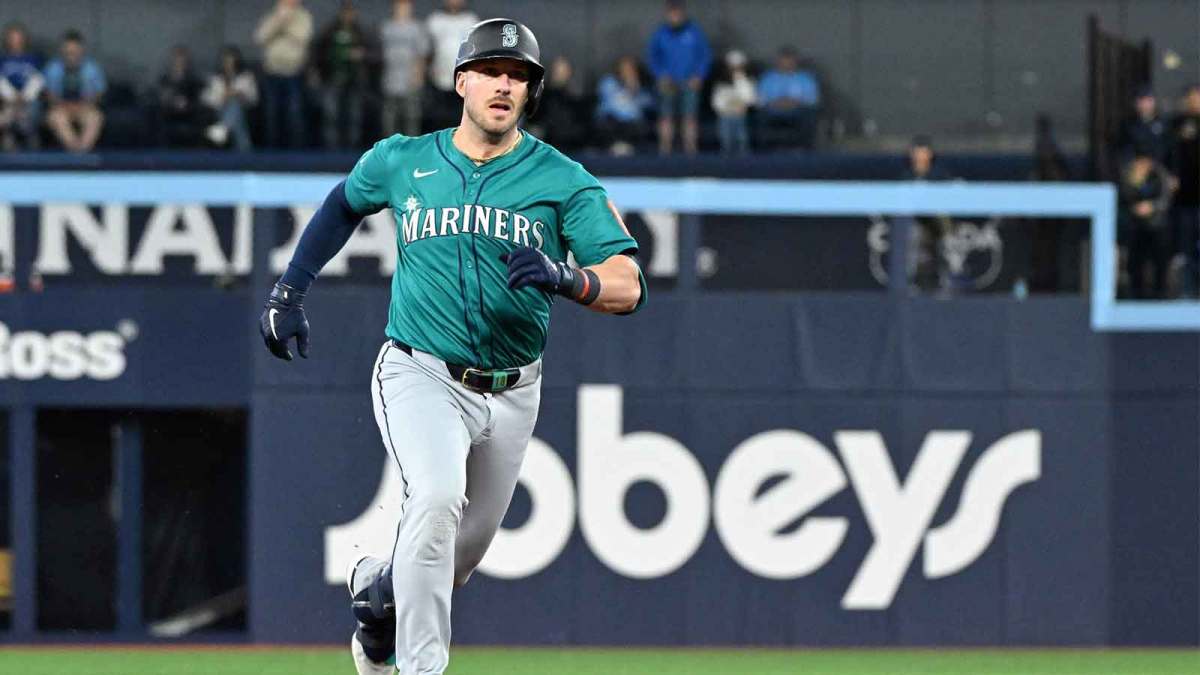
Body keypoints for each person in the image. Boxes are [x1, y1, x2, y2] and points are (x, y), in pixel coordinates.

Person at [257, 18, 646, 675]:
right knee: (435, 498)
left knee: (455, 556)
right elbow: (343, 204)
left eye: (519, 75)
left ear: (530, 94)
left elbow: (628, 284)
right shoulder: (402, 159)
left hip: (514, 388)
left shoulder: (562, 179)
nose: (504, 84)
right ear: (460, 80)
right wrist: (289, 292)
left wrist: (566, 277)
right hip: (420, 369)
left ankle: (378, 597)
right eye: (492, 70)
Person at [646, 0, 710, 155]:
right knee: (665, 116)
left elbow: (705, 56)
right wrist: (660, 76)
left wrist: (699, 76)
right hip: (668, 82)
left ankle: (690, 150)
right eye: (671, 14)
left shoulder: (694, 32)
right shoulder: (661, 34)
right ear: (667, 15)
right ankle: (665, 150)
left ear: (682, 14)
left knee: (689, 117)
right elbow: (652, 57)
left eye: (677, 14)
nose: (674, 17)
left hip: (689, 81)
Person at [1118, 142, 1176, 299]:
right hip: (1136, 225)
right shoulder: (1129, 174)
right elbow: (1124, 197)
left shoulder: (1160, 174)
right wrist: (1135, 204)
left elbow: (1166, 198)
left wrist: (1152, 206)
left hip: (1158, 224)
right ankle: (1137, 293)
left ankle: (1160, 293)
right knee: (1136, 261)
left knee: (1160, 261)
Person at [254, 0, 313, 148]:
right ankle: (272, 149)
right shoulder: (272, 16)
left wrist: (287, 23)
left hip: (293, 73)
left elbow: (303, 38)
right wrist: (279, 21)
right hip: (272, 73)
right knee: (271, 113)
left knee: (294, 113)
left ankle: (296, 150)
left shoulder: (304, 18)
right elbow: (260, 37)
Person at [43, 30, 106, 153]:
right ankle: (75, 151)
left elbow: (99, 93)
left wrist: (84, 105)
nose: (71, 54)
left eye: (74, 50)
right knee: (55, 118)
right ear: (62, 50)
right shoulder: (52, 68)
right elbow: (49, 94)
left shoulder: (92, 68)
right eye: (68, 51)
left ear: (81, 50)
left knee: (96, 118)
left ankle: (83, 151)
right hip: (61, 109)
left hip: (85, 108)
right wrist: (64, 105)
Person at [381, 0, 431, 137]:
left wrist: (418, 75)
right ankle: (390, 146)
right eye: (399, 7)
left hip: (410, 79)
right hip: (390, 79)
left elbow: (422, 54)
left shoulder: (416, 28)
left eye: (405, 7)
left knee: (411, 116)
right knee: (390, 117)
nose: (402, 10)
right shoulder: (386, 27)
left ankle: (411, 145)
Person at [426, 0, 479, 129]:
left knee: (460, 118)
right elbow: (427, 51)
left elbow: (476, 49)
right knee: (439, 118)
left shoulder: (471, 21)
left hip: (463, 79)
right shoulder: (434, 21)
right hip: (439, 79)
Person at [756, 46, 821, 150]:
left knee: (809, 114)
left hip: (798, 110)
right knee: (760, 115)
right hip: (773, 110)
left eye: (790, 61)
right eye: (784, 61)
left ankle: (806, 150)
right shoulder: (768, 78)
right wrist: (776, 103)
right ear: (778, 61)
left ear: (795, 61)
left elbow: (813, 99)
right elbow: (760, 99)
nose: (787, 64)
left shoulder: (805, 78)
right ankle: (763, 151)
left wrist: (795, 103)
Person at [1171, 84, 1200, 297]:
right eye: (1192, 97)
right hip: (1185, 198)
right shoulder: (1178, 124)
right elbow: (1170, 153)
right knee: (1186, 247)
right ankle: (1187, 290)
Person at [201, 46, 258, 151]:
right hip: (219, 110)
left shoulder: (246, 76)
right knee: (236, 116)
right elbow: (206, 99)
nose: (229, 64)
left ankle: (223, 128)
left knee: (236, 106)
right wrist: (222, 97)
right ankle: (244, 151)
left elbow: (254, 99)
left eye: (231, 61)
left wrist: (241, 95)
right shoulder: (215, 78)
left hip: (244, 110)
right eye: (226, 61)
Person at [595, 55, 654, 155]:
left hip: (632, 125)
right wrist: (625, 89)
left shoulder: (640, 87)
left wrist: (634, 89)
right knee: (608, 122)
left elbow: (649, 104)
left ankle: (626, 147)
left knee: (641, 125)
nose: (627, 72)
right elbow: (609, 103)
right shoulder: (609, 82)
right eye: (624, 69)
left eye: (630, 69)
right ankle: (615, 146)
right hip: (612, 122)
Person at [530, 56, 587, 151]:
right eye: (557, 71)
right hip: (547, 141)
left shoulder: (575, 97)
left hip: (571, 142)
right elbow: (534, 120)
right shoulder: (542, 95)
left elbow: (580, 124)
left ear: (569, 73)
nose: (559, 75)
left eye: (563, 72)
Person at [0, 23, 43, 150]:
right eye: (12, 38)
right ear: (7, 40)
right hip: (6, 101)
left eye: (18, 38)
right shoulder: (2, 59)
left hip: (29, 102)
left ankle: (30, 139)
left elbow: (39, 80)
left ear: (24, 39)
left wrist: (24, 97)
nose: (15, 41)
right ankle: (9, 140)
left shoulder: (34, 58)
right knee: (7, 112)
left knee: (28, 110)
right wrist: (12, 97)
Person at [156, 46, 205, 147]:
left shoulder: (193, 81)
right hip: (168, 113)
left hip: (189, 113)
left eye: (182, 61)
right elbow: (162, 97)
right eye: (177, 61)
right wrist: (170, 101)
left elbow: (197, 100)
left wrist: (186, 104)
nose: (179, 64)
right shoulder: (164, 80)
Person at [710, 49, 755, 155]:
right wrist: (726, 108)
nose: (735, 70)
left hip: (740, 114)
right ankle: (726, 150)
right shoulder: (720, 84)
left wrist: (742, 105)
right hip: (725, 114)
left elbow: (751, 99)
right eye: (732, 67)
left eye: (738, 67)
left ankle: (743, 151)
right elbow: (716, 102)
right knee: (725, 133)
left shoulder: (747, 82)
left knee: (741, 135)